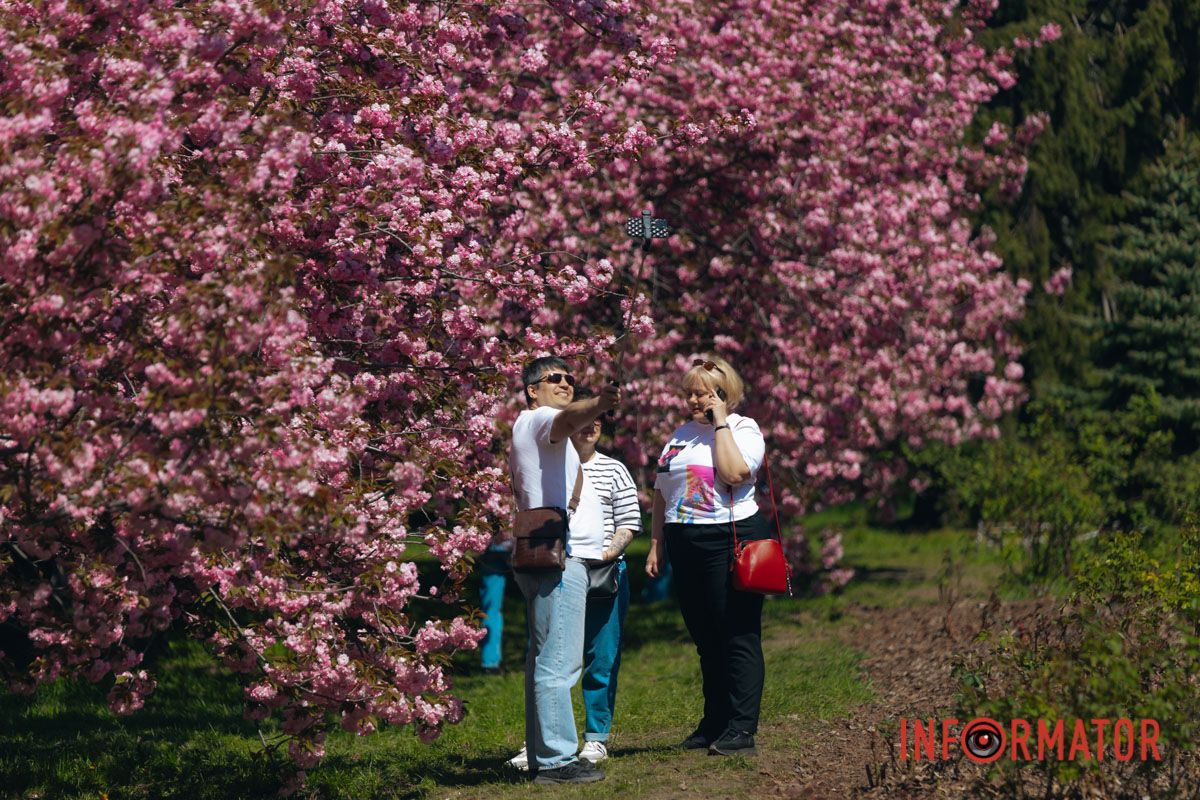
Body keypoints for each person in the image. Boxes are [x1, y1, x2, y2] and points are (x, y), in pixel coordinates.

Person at [644, 354, 769, 756]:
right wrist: (657, 543)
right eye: (690, 393)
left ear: (724, 393)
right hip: (685, 540)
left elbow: (734, 474)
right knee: (705, 639)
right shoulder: (678, 435)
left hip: (728, 538)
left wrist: (719, 424)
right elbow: (662, 491)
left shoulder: (742, 429)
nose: (694, 400)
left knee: (737, 634)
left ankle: (741, 727)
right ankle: (714, 721)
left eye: (703, 393)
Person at [508, 391, 641, 769]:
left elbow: (629, 521)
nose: (589, 425)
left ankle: (576, 743)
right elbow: (564, 420)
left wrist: (607, 554)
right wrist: (601, 400)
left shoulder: (593, 464)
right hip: (565, 562)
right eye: (556, 378)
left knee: (592, 656)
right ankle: (555, 757)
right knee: (557, 662)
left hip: (594, 567)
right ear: (534, 389)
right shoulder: (542, 426)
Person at [477, 538, 510, 675]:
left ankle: (490, 663)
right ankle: (536, 658)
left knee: (490, 606)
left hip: (492, 544)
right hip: (523, 543)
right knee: (535, 604)